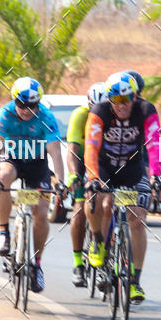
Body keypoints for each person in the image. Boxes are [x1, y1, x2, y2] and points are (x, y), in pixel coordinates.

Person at [83, 71, 161, 304]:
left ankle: (135, 281)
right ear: (109, 99)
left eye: (127, 99)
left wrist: (157, 176)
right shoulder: (99, 111)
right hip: (105, 166)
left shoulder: (146, 110)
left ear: (135, 96)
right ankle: (98, 241)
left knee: (138, 219)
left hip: (132, 168)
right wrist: (92, 177)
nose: (122, 105)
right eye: (116, 100)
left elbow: (154, 144)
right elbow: (91, 147)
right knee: (96, 200)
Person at [0, 76, 66, 293]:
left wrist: (60, 182)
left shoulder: (46, 117)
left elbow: (56, 154)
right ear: (15, 101)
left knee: (41, 213)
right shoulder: (4, 115)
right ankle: (4, 232)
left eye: (31, 105)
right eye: (21, 104)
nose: (25, 110)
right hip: (12, 160)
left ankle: (36, 265)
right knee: (3, 179)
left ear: (38, 104)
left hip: (37, 164)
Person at [66, 82, 107, 287]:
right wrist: (74, 175)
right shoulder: (80, 115)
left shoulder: (114, 116)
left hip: (107, 163)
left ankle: (109, 251)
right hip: (83, 162)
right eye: (95, 107)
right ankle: (77, 263)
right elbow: (73, 149)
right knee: (80, 210)